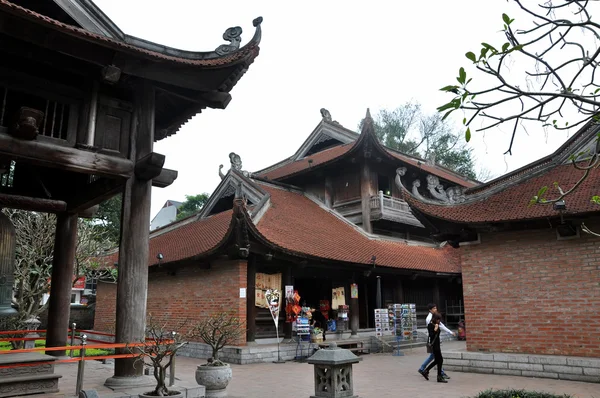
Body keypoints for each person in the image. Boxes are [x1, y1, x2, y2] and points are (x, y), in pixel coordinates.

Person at [418, 303, 454, 379]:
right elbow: (431, 332)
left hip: (436, 341)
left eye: (436, 308)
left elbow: (441, 325)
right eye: (434, 308)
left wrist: (449, 332)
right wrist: (436, 330)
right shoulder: (429, 319)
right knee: (437, 358)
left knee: (436, 358)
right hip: (433, 342)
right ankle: (433, 371)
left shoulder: (435, 317)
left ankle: (426, 370)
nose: (435, 309)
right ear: (430, 310)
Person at [422, 313, 447, 383]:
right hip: (434, 346)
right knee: (440, 360)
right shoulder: (430, 325)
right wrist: (435, 329)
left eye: (439, 319)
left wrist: (437, 328)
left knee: (437, 360)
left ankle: (426, 371)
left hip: (437, 344)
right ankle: (439, 377)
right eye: (438, 319)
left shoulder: (437, 325)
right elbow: (431, 335)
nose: (439, 321)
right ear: (434, 319)